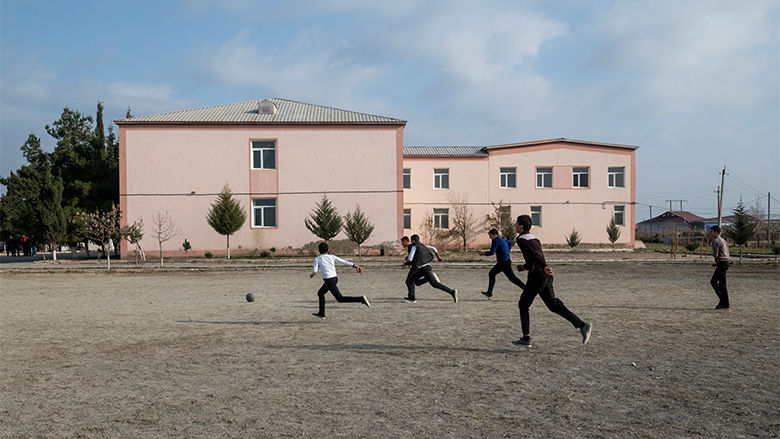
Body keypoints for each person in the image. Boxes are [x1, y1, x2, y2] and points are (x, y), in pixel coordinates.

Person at [512, 215, 591, 347]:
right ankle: (582, 325)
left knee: (523, 304)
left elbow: (536, 256)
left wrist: (544, 267)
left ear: (521, 226)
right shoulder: (534, 239)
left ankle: (526, 339)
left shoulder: (521, 239)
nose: (515, 225)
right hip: (544, 276)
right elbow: (535, 257)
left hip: (537, 277)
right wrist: (525, 267)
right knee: (553, 305)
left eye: (516, 224)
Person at [309, 242, 370, 318]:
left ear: (318, 250)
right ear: (328, 249)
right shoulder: (332, 257)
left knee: (340, 299)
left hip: (329, 281)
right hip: (334, 278)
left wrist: (311, 275)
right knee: (320, 293)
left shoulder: (317, 258)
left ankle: (361, 299)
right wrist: (355, 265)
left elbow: (315, 271)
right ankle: (321, 313)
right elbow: (344, 262)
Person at [403, 234, 458, 303]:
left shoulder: (414, 246)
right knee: (414, 281)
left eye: (411, 240)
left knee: (434, 284)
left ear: (413, 240)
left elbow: (410, 258)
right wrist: (438, 257)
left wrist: (406, 262)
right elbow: (433, 248)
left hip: (424, 268)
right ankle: (411, 298)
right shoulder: (422, 245)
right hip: (424, 267)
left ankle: (452, 292)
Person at [481, 228, 525, 299]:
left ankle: (526, 289)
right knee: (509, 277)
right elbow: (510, 243)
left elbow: (492, 252)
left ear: (495, 235)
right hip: (505, 261)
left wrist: (483, 254)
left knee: (511, 278)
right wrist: (507, 250)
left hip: (503, 263)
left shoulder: (495, 241)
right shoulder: (502, 239)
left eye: (490, 235)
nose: (490, 237)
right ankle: (489, 292)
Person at [708, 225, 731, 309]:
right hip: (725, 262)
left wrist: (717, 261)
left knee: (714, 282)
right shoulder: (723, 240)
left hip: (722, 263)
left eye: (711, 232)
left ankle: (724, 302)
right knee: (721, 284)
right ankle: (724, 302)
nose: (710, 233)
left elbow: (716, 254)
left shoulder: (716, 241)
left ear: (716, 232)